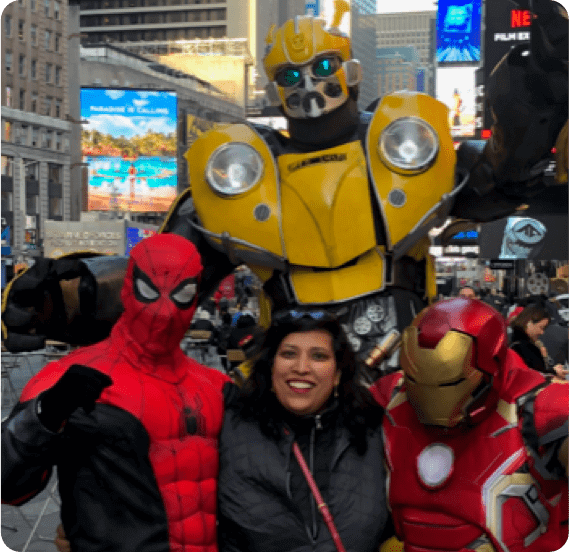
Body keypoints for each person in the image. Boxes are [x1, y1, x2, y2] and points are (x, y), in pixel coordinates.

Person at [2, 1, 567, 380]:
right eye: (291, 75)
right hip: (285, 383)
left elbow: (499, 178)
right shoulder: (241, 171)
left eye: (322, 66)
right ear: (275, 86)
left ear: (348, 70)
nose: (309, 84)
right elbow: (164, 279)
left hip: (400, 378)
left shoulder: (403, 144)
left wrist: (534, 92)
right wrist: (65, 294)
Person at [53, 308, 397, 552]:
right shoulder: (230, 420)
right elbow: (167, 472)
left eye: (319, 356)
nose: (302, 368)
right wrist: (93, 522)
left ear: (337, 374)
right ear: (270, 367)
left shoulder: (373, 427)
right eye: (288, 354)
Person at [1, 234, 230, 551]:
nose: (164, 312)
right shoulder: (65, 380)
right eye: (149, 291)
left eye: (182, 294)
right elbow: (6, 485)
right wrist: (44, 415)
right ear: (127, 289)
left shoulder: (218, 388)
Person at [371, 298, 568, 552]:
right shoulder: (392, 395)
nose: (435, 401)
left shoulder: (543, 407)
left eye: (449, 384)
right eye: (416, 383)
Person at [509, 303, 568, 378]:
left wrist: (552, 370)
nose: (542, 332)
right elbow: (534, 376)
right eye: (541, 327)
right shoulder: (522, 347)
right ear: (529, 323)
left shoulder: (518, 342)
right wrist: (554, 372)